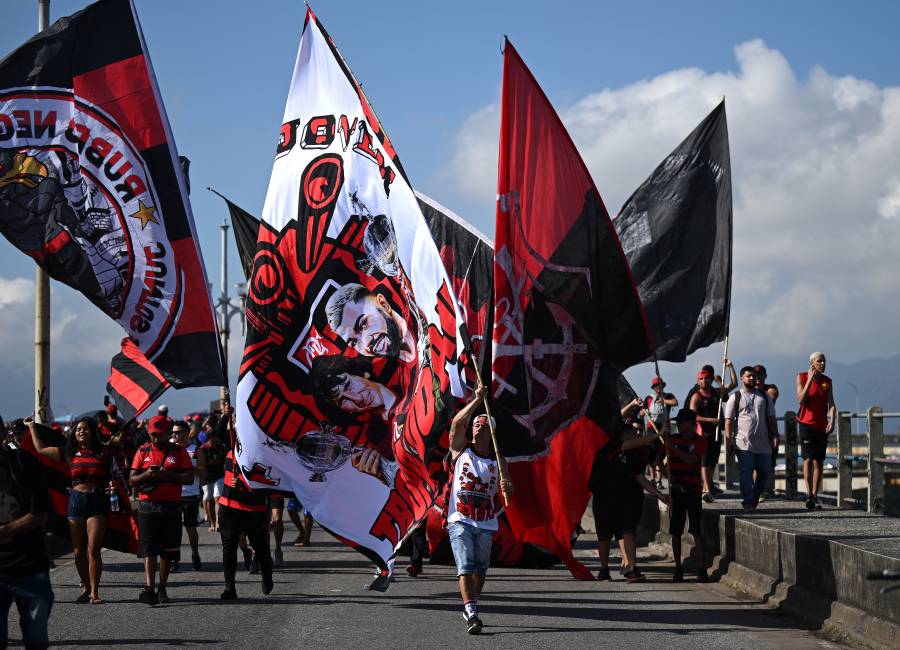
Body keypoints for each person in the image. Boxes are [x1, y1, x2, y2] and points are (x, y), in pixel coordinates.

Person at [444, 385, 513, 634]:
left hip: (485, 521)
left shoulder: (498, 460)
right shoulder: (460, 450)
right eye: (476, 425)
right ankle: (471, 610)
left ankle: (472, 601)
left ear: (491, 432)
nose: (478, 429)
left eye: (483, 427)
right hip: (459, 519)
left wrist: (507, 485)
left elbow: (509, 492)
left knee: (480, 568)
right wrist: (476, 401)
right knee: (465, 564)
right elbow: (456, 425)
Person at [26, 416, 114, 604]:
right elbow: (41, 449)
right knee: (78, 551)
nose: (82, 431)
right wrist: (32, 427)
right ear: (74, 433)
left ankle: (95, 592)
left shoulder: (104, 452)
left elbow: (112, 477)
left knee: (94, 549)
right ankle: (85, 586)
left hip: (97, 502)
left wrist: (112, 486)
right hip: (75, 501)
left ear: (92, 431)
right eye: (78, 429)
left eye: (85, 428)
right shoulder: (69, 452)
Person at [0, 415, 53, 650]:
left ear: (3, 435)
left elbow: (40, 515)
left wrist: (4, 530)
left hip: (29, 567)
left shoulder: (24, 463)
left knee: (36, 641)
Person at [129, 416, 193, 605]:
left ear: (167, 433)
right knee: (149, 550)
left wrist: (168, 475)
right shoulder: (143, 450)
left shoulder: (179, 452)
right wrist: (147, 474)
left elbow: (189, 478)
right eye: (152, 434)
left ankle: (162, 587)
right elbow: (132, 479)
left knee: (167, 551)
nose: (155, 438)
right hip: (148, 507)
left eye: (158, 434)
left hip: (170, 507)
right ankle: (149, 587)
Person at [218, 447, 273, 600]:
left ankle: (267, 575)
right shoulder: (231, 452)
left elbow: (269, 482)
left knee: (261, 547)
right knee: (229, 550)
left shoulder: (263, 454)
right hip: (229, 507)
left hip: (254, 509)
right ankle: (230, 587)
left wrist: (244, 484)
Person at [663, 408, 708, 583]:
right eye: (678, 422)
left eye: (682, 422)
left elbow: (691, 460)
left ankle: (702, 568)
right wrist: (665, 472)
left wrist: (671, 448)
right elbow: (656, 457)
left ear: (690, 423)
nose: (679, 425)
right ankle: (677, 567)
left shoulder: (700, 442)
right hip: (676, 491)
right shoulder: (672, 439)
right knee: (675, 531)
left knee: (696, 530)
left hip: (693, 491)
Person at [725, 367, 778, 510]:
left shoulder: (765, 397)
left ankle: (754, 497)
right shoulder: (735, 397)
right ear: (742, 378)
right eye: (749, 376)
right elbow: (728, 420)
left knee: (764, 473)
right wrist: (728, 441)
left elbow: (771, 418)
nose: (752, 379)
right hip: (743, 443)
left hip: (763, 443)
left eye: (754, 376)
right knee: (746, 472)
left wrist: (775, 435)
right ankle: (748, 499)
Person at [325, 283, 417, 363]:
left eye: (363, 324)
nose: (366, 343)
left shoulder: (421, 304)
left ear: (383, 304)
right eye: (353, 342)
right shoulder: (400, 378)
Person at [796, 352, 836, 510]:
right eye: (819, 361)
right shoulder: (802, 377)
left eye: (824, 361)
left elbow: (831, 404)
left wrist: (832, 421)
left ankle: (815, 495)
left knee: (818, 461)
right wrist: (810, 380)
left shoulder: (827, 382)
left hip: (821, 425)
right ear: (812, 363)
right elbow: (800, 399)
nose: (823, 364)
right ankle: (809, 495)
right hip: (806, 423)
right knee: (807, 459)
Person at [688, 363, 732, 501]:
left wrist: (731, 367)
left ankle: (708, 486)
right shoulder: (696, 396)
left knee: (713, 460)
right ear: (698, 380)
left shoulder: (715, 393)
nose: (704, 381)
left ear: (711, 379)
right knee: (705, 461)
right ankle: (706, 488)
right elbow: (692, 415)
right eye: (701, 378)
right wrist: (710, 420)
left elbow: (733, 384)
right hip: (702, 433)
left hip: (716, 432)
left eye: (707, 378)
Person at [172, 420, 206, 571]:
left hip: (190, 495)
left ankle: (195, 553)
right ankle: (174, 559)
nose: (174, 435)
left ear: (186, 434)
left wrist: (188, 467)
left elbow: (203, 471)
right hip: (173, 494)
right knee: (173, 529)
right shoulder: (170, 449)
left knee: (190, 528)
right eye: (173, 432)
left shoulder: (195, 449)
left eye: (178, 432)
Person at [753, 365, 780, 497]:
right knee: (755, 462)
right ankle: (757, 489)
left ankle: (769, 488)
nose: (757, 378)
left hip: (769, 431)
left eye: (760, 375)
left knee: (771, 461)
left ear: (765, 376)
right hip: (754, 431)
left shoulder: (770, 389)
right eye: (755, 375)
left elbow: (771, 398)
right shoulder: (748, 391)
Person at [202, 424, 227, 532]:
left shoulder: (222, 448)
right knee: (209, 499)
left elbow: (226, 461)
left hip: (219, 476)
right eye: (216, 437)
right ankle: (211, 522)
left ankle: (218, 522)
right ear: (210, 438)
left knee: (218, 498)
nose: (218, 439)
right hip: (207, 477)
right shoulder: (203, 449)